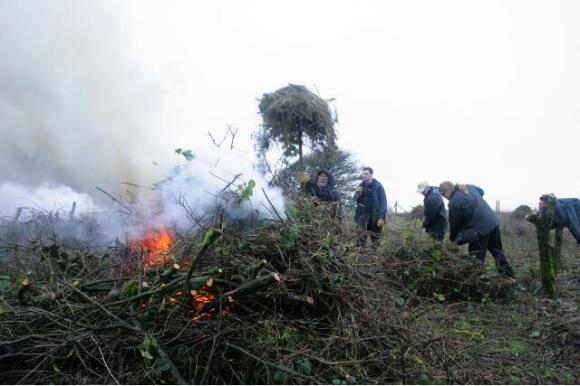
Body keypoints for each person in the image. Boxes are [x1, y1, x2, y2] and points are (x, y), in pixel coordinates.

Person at [438, 181, 515, 277]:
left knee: (476, 257)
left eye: (443, 194)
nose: (444, 197)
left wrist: (453, 240)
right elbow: (481, 192)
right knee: (497, 251)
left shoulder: (454, 202)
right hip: (493, 222)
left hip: (479, 230)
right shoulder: (468, 187)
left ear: (448, 190)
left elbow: (455, 225)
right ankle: (508, 277)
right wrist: (475, 202)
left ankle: (477, 281)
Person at [354, 167, 387, 248]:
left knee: (375, 237)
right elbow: (355, 199)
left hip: (375, 215)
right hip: (363, 214)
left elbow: (383, 201)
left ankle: (374, 256)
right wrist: (357, 194)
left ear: (371, 175)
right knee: (361, 235)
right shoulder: (361, 185)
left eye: (366, 174)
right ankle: (360, 253)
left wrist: (382, 217)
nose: (364, 176)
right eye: (363, 174)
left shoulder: (378, 186)